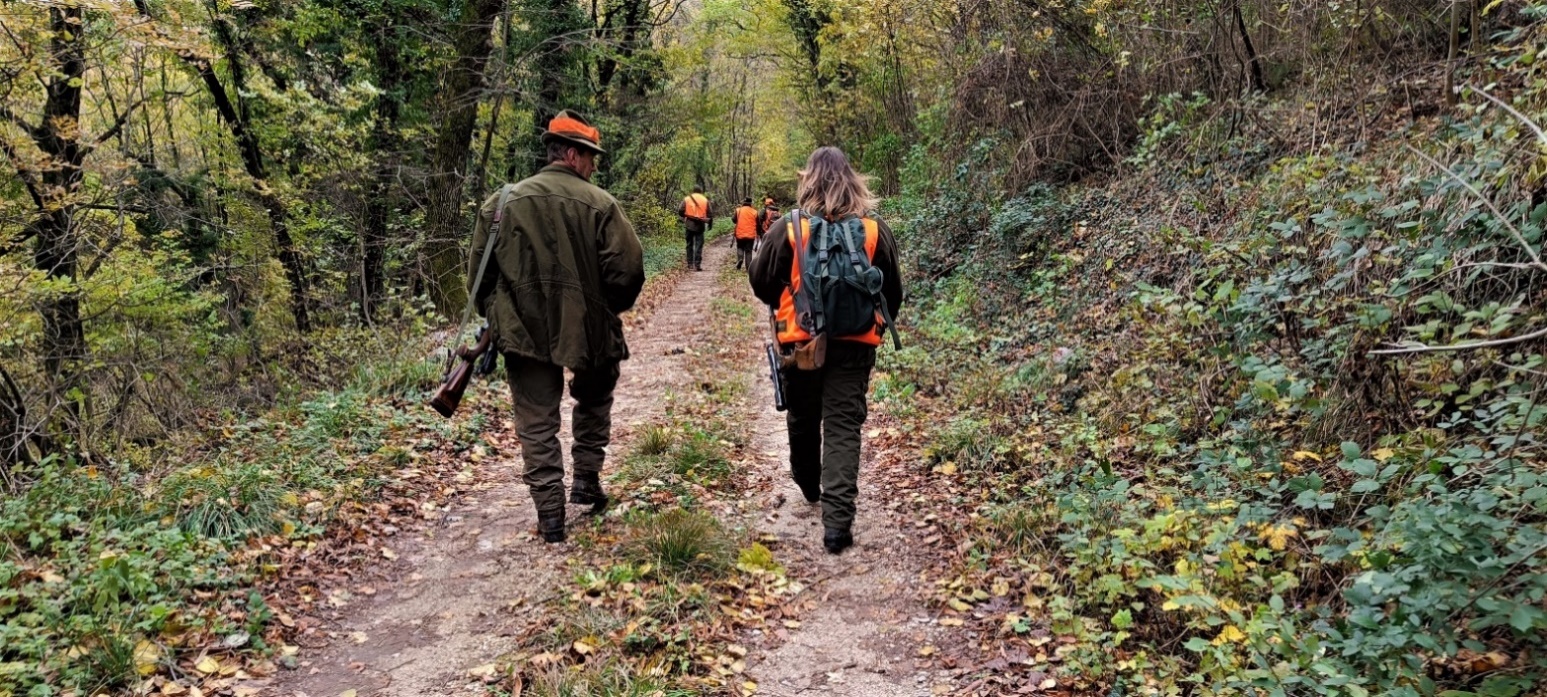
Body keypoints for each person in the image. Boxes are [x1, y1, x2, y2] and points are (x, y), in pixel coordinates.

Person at [466, 110, 645, 544]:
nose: (594, 166)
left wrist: (503, 313)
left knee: (536, 419)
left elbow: (477, 281)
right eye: (590, 157)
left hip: (523, 330)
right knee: (595, 396)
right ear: (570, 154)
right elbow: (629, 272)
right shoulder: (601, 205)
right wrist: (605, 309)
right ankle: (585, 478)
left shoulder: (500, 203)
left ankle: (551, 516)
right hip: (590, 328)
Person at [749, 147, 903, 555]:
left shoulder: (788, 227)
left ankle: (807, 482)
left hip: (801, 343)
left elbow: (762, 283)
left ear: (807, 181)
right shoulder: (874, 230)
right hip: (855, 347)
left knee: (803, 414)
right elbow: (893, 293)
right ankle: (837, 526)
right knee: (842, 426)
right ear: (853, 181)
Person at [679, 186, 713, 271]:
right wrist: (710, 224)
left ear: (693, 191)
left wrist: (685, 217)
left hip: (689, 225)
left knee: (689, 244)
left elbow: (680, 210)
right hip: (700, 225)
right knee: (699, 245)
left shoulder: (687, 199)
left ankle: (690, 264)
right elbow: (710, 214)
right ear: (701, 191)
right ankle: (697, 264)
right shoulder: (705, 200)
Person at [731, 197, 760, 271]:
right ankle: (748, 268)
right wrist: (759, 233)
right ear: (751, 203)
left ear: (743, 202)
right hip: (750, 235)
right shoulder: (754, 212)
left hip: (740, 233)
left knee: (740, 247)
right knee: (748, 251)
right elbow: (758, 224)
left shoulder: (738, 210)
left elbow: (734, 220)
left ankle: (740, 259)